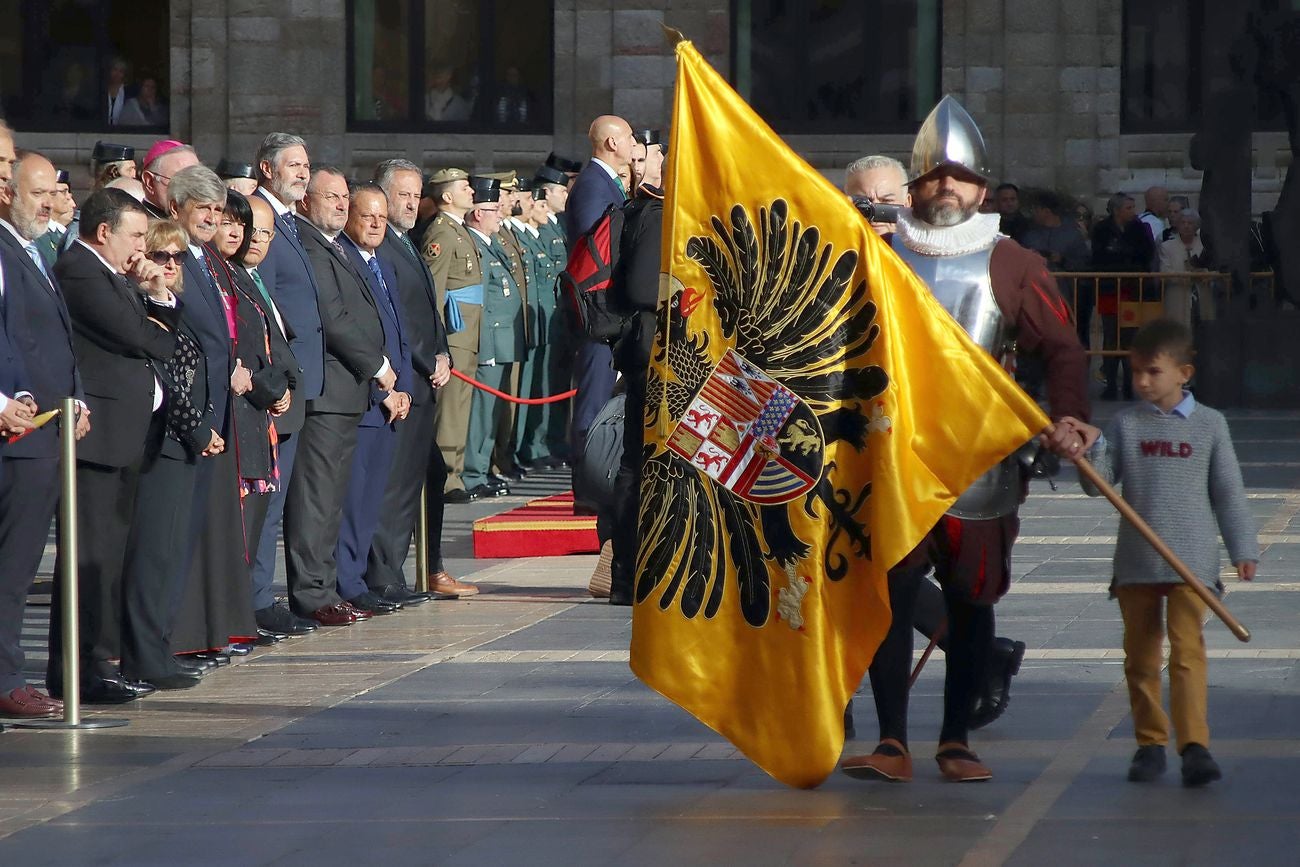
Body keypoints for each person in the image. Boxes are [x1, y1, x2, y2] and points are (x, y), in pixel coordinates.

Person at [840, 96, 1091, 784]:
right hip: (894, 458)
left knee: (970, 601)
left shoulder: (1014, 263)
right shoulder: (881, 257)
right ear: (915, 186)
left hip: (981, 459)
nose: (946, 187)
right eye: (934, 176)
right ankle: (892, 739)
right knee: (889, 598)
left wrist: (1069, 415)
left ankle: (956, 738)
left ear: (983, 188)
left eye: (960, 177)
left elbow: (1062, 351)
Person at [840, 152, 1032, 729]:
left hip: (941, 447)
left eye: (884, 203)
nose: (872, 214)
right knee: (844, 568)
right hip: (855, 443)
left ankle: (970, 668)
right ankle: (839, 699)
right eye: (858, 203)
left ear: (911, 201)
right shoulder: (843, 262)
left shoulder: (942, 261)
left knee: (911, 575)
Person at [1065, 319, 1259, 787]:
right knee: (1141, 655)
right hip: (1137, 561)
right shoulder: (1126, 424)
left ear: (1183, 372)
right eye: (1136, 372)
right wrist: (1086, 451)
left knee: (1188, 652)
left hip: (1192, 561)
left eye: (1153, 371)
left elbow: (1228, 491)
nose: (1142, 382)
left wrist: (1242, 547)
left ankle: (1194, 745)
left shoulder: (1211, 425)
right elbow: (1099, 487)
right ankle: (1149, 744)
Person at [48, 188, 178, 704]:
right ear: (105, 232)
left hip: (123, 436)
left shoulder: (113, 273)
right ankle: (82, 668)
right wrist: (152, 300)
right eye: (137, 236)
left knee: (107, 559)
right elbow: (142, 337)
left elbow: (164, 336)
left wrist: (157, 300)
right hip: (96, 438)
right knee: (88, 559)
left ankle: (101, 661)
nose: (144, 249)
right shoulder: (82, 270)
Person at [285, 166, 392, 626]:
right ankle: (312, 592)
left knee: (331, 500)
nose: (341, 205)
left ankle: (324, 587)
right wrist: (378, 365)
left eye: (344, 196)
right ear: (307, 200)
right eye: (331, 197)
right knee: (317, 498)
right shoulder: (309, 244)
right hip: (329, 390)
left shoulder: (331, 246)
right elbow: (333, 316)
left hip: (348, 391)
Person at [0, 149, 85, 716]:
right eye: (38, 193)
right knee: (12, 565)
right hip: (20, 433)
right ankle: (8, 678)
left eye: (53, 192)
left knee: (24, 560)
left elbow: (56, 338)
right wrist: (11, 399)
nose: (51, 203)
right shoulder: (5, 248)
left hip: (47, 426)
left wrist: (73, 397)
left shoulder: (35, 250)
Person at [364, 159, 471, 601]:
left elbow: (431, 308)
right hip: (405, 379)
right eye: (401, 195)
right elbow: (400, 320)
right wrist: (429, 360)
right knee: (397, 483)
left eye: (414, 195)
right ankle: (387, 575)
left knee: (429, 472)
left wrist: (443, 352)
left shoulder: (407, 241)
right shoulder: (381, 246)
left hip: (427, 374)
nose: (409, 203)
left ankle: (428, 567)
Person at [117, 220, 211, 690]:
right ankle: (142, 656)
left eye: (178, 258)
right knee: (151, 554)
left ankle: (158, 648)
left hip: (182, 442)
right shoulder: (142, 305)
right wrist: (198, 431)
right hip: (161, 442)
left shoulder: (177, 305)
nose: (172, 266)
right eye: (163, 257)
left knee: (169, 553)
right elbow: (165, 375)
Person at [168, 166, 251, 665]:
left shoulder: (209, 258)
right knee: (186, 534)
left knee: (214, 528)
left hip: (219, 403)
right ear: (177, 207)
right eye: (202, 208)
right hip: (189, 408)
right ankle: (182, 638)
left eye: (217, 209)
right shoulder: (171, 253)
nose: (212, 218)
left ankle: (211, 631)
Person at [249, 132, 326, 638]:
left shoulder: (293, 223)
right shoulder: (261, 217)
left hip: (299, 383)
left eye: (305, 164)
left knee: (280, 501)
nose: (302, 172)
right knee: (266, 502)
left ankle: (261, 593)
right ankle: (256, 599)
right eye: (293, 165)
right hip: (277, 384)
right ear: (266, 168)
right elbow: (262, 299)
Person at [335, 183, 414, 615]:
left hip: (391, 397)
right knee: (352, 499)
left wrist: (403, 389)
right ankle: (346, 581)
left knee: (371, 501)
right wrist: (383, 388)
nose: (375, 224)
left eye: (382, 217)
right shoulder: (345, 260)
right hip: (367, 399)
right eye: (367, 215)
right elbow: (352, 333)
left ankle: (359, 579)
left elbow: (396, 331)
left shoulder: (380, 261)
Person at [565, 115, 635, 488]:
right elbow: (597, 249)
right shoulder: (594, 183)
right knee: (594, 397)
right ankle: (587, 483)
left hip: (610, 308)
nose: (633, 143)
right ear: (611, 142)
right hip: (599, 308)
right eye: (629, 136)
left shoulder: (606, 181)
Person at [421, 167, 487, 503]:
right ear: (447, 196)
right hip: (454, 333)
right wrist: (438, 341)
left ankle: (456, 474)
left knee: (460, 409)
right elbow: (434, 292)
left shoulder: (458, 231)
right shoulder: (443, 234)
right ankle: (446, 479)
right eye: (465, 187)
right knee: (449, 411)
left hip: (468, 334)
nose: (472, 193)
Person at [460, 176, 525, 500]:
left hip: (502, 343)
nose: (500, 214)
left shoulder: (490, 243)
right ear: (476, 214)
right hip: (489, 344)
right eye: (492, 209)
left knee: (493, 412)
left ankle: (482, 469)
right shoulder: (475, 247)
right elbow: (479, 305)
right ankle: (472, 473)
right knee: (481, 414)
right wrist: (483, 347)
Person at [1092, 192, 1154, 400]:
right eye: (1128, 208)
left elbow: (1146, 254)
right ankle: (1110, 384)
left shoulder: (1139, 229)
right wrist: (1122, 255)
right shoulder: (1102, 229)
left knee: (1130, 338)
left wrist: (1120, 254)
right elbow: (1100, 257)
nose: (1133, 212)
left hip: (1132, 290)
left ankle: (1129, 384)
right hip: (1109, 289)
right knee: (1111, 337)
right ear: (1117, 210)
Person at [1020, 190, 1093, 348]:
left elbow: (1084, 265)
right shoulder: (1029, 235)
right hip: (1037, 295)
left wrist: (1062, 260)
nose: (1033, 213)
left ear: (1046, 211)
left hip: (1069, 296)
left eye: (1036, 209)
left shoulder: (1073, 235)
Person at [1159, 209, 1213, 329]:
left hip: (1203, 296)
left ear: (1197, 226)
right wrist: (1189, 275)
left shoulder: (1206, 245)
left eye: (1190, 223)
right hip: (1178, 297)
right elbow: (1165, 272)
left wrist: (1206, 274)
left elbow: (1215, 269)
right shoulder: (1167, 247)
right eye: (1183, 223)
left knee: (1204, 330)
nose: (1186, 226)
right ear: (1177, 225)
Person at [844, 154, 910, 237]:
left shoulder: (927, 248)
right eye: (863, 204)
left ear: (907, 203)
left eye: (886, 201)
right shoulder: (830, 247)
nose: (874, 214)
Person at [140, 140, 198, 221]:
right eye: (180, 180)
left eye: (196, 181)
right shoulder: (139, 227)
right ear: (149, 182)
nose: (191, 189)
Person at [105, 57, 129, 126]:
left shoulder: (129, 92)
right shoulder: (102, 89)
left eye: (121, 71)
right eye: (115, 69)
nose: (117, 74)